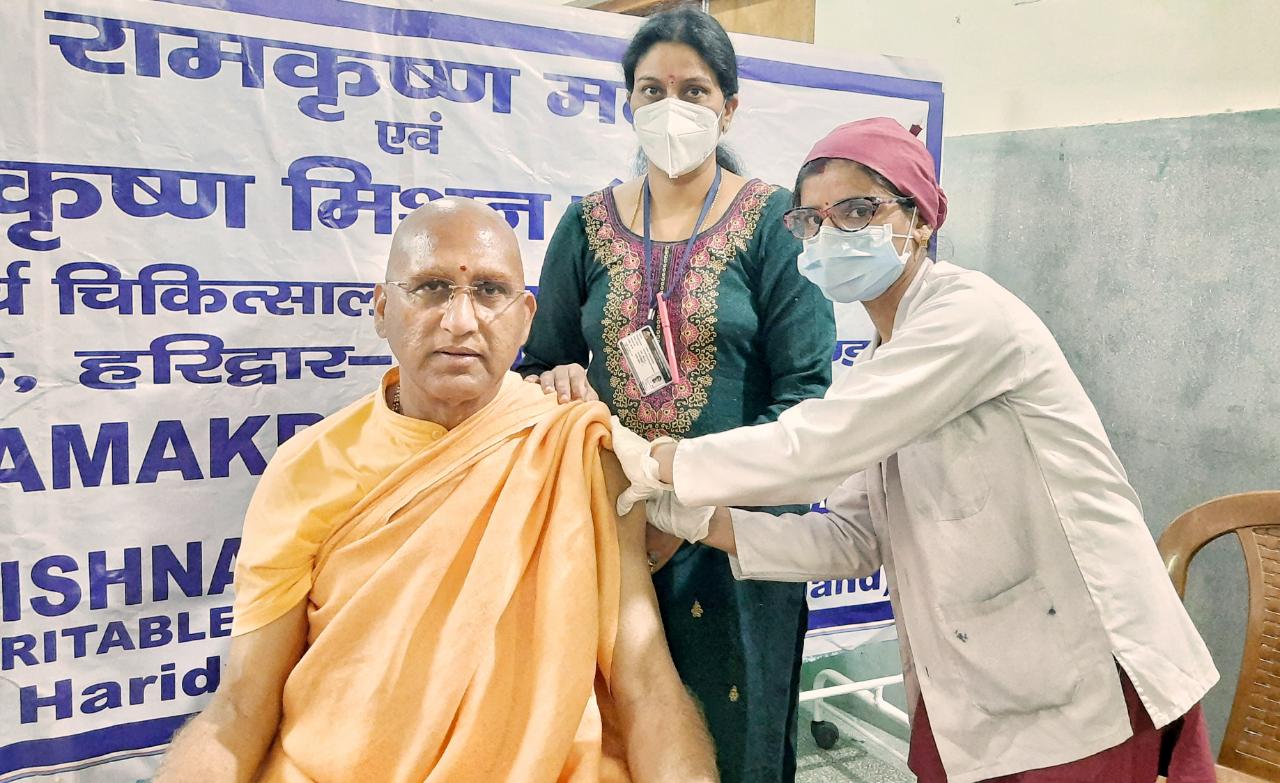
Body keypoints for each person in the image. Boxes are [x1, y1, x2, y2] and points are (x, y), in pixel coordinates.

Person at [612, 118, 1220, 783]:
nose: (831, 233)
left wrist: (657, 459)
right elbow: (851, 537)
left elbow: (818, 441)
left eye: (858, 210)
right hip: (981, 676)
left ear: (920, 219)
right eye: (812, 220)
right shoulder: (884, 359)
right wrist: (694, 519)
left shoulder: (969, 316)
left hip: (1079, 670)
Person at [156, 199, 718, 783]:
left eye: (491, 292)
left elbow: (646, 683)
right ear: (382, 309)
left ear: (526, 317)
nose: (460, 322)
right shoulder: (308, 467)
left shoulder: (578, 449)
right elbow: (242, 706)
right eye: (430, 288)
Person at [516, 7, 835, 782]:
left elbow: (805, 400)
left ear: (729, 105)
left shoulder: (773, 226)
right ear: (628, 102)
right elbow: (540, 363)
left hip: (736, 543)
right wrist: (552, 380)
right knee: (614, 747)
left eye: (694, 91)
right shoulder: (586, 226)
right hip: (610, 546)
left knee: (735, 746)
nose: (673, 108)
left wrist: (692, 508)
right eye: (653, 89)